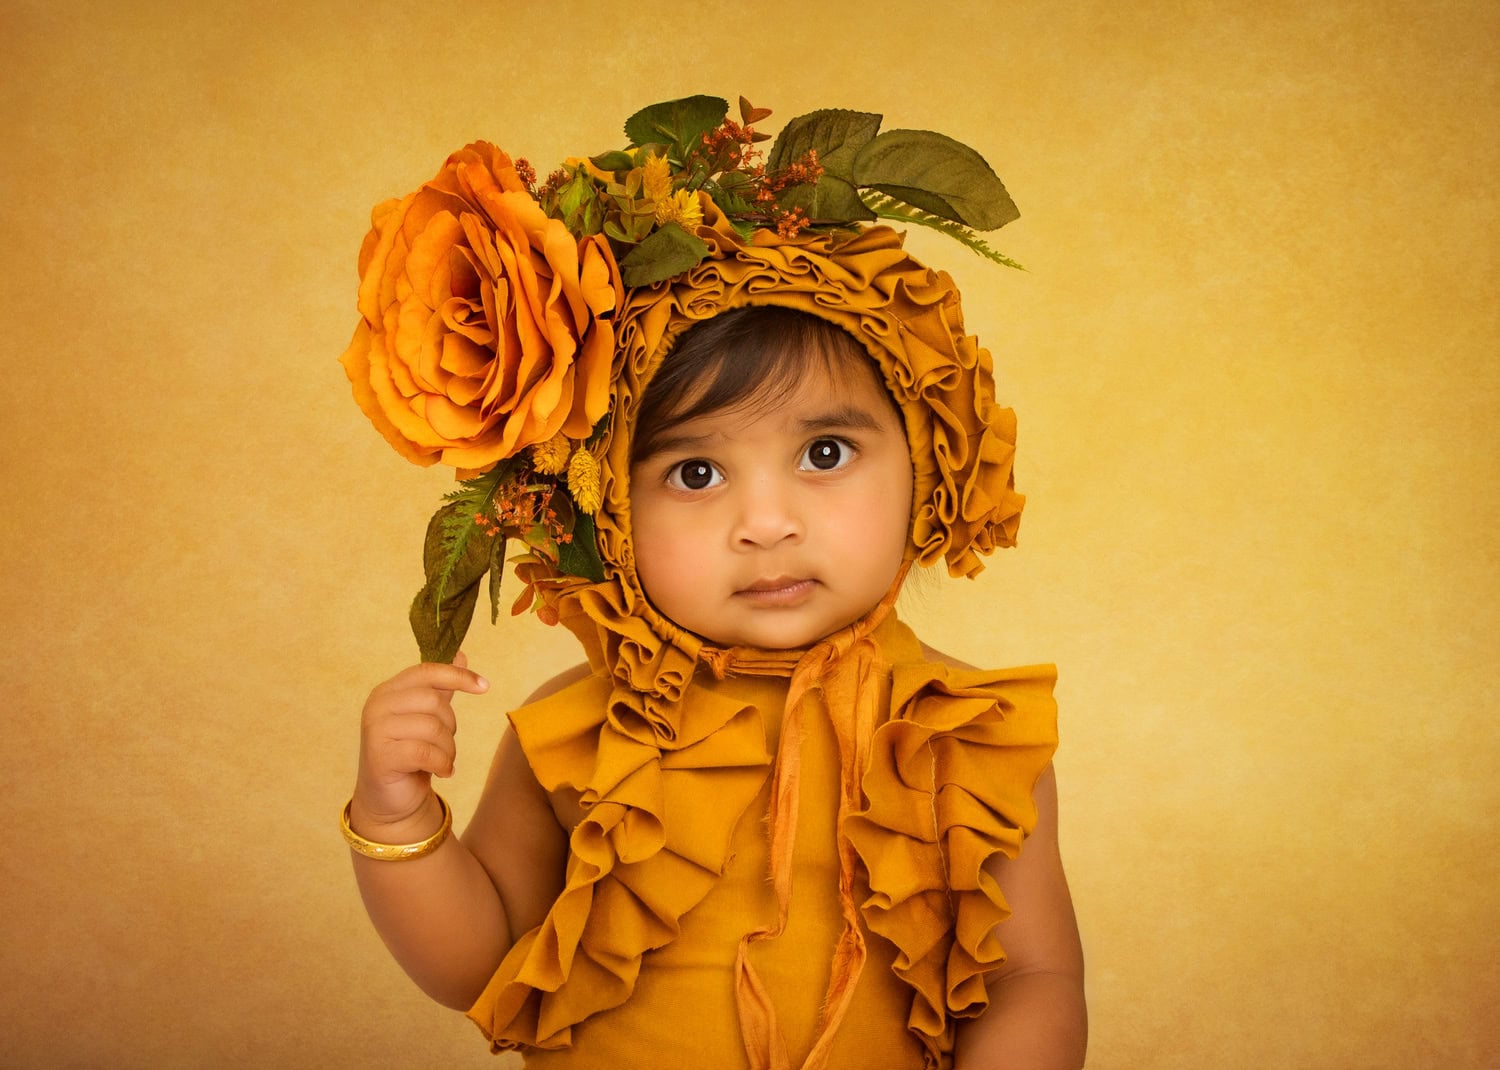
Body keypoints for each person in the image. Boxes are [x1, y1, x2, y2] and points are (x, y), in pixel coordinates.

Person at [337, 95, 1086, 1069]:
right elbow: (478, 961)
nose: (766, 522)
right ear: (604, 511)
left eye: (824, 451)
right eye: (695, 473)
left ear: (927, 461)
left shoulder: (964, 734)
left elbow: (1034, 976)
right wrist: (399, 822)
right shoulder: (580, 730)